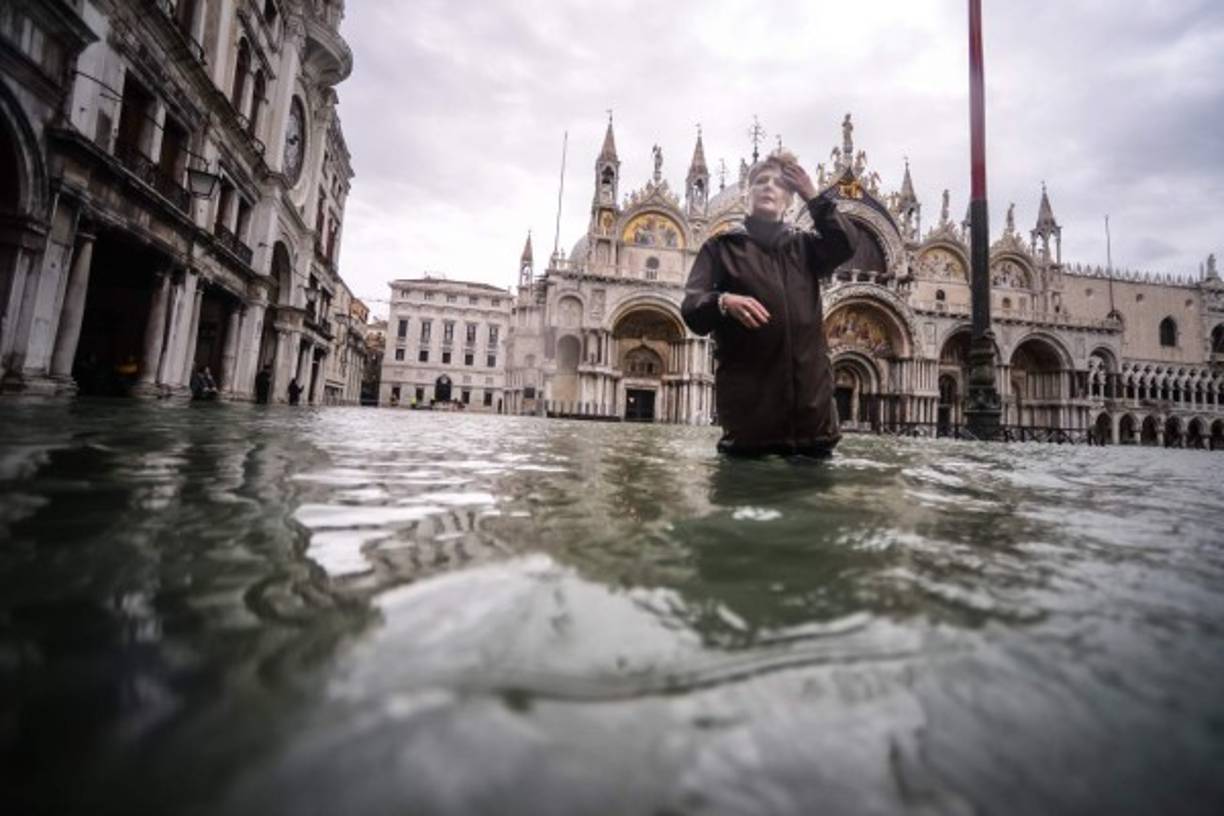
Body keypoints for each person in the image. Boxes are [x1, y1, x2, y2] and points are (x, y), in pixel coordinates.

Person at [681, 148, 857, 457]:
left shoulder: (806, 247)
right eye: (761, 181)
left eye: (779, 184)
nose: (769, 187)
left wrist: (813, 197)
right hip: (752, 431)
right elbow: (692, 309)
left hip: (815, 428)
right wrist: (723, 301)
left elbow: (845, 244)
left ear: (789, 200)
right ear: (746, 193)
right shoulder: (720, 248)